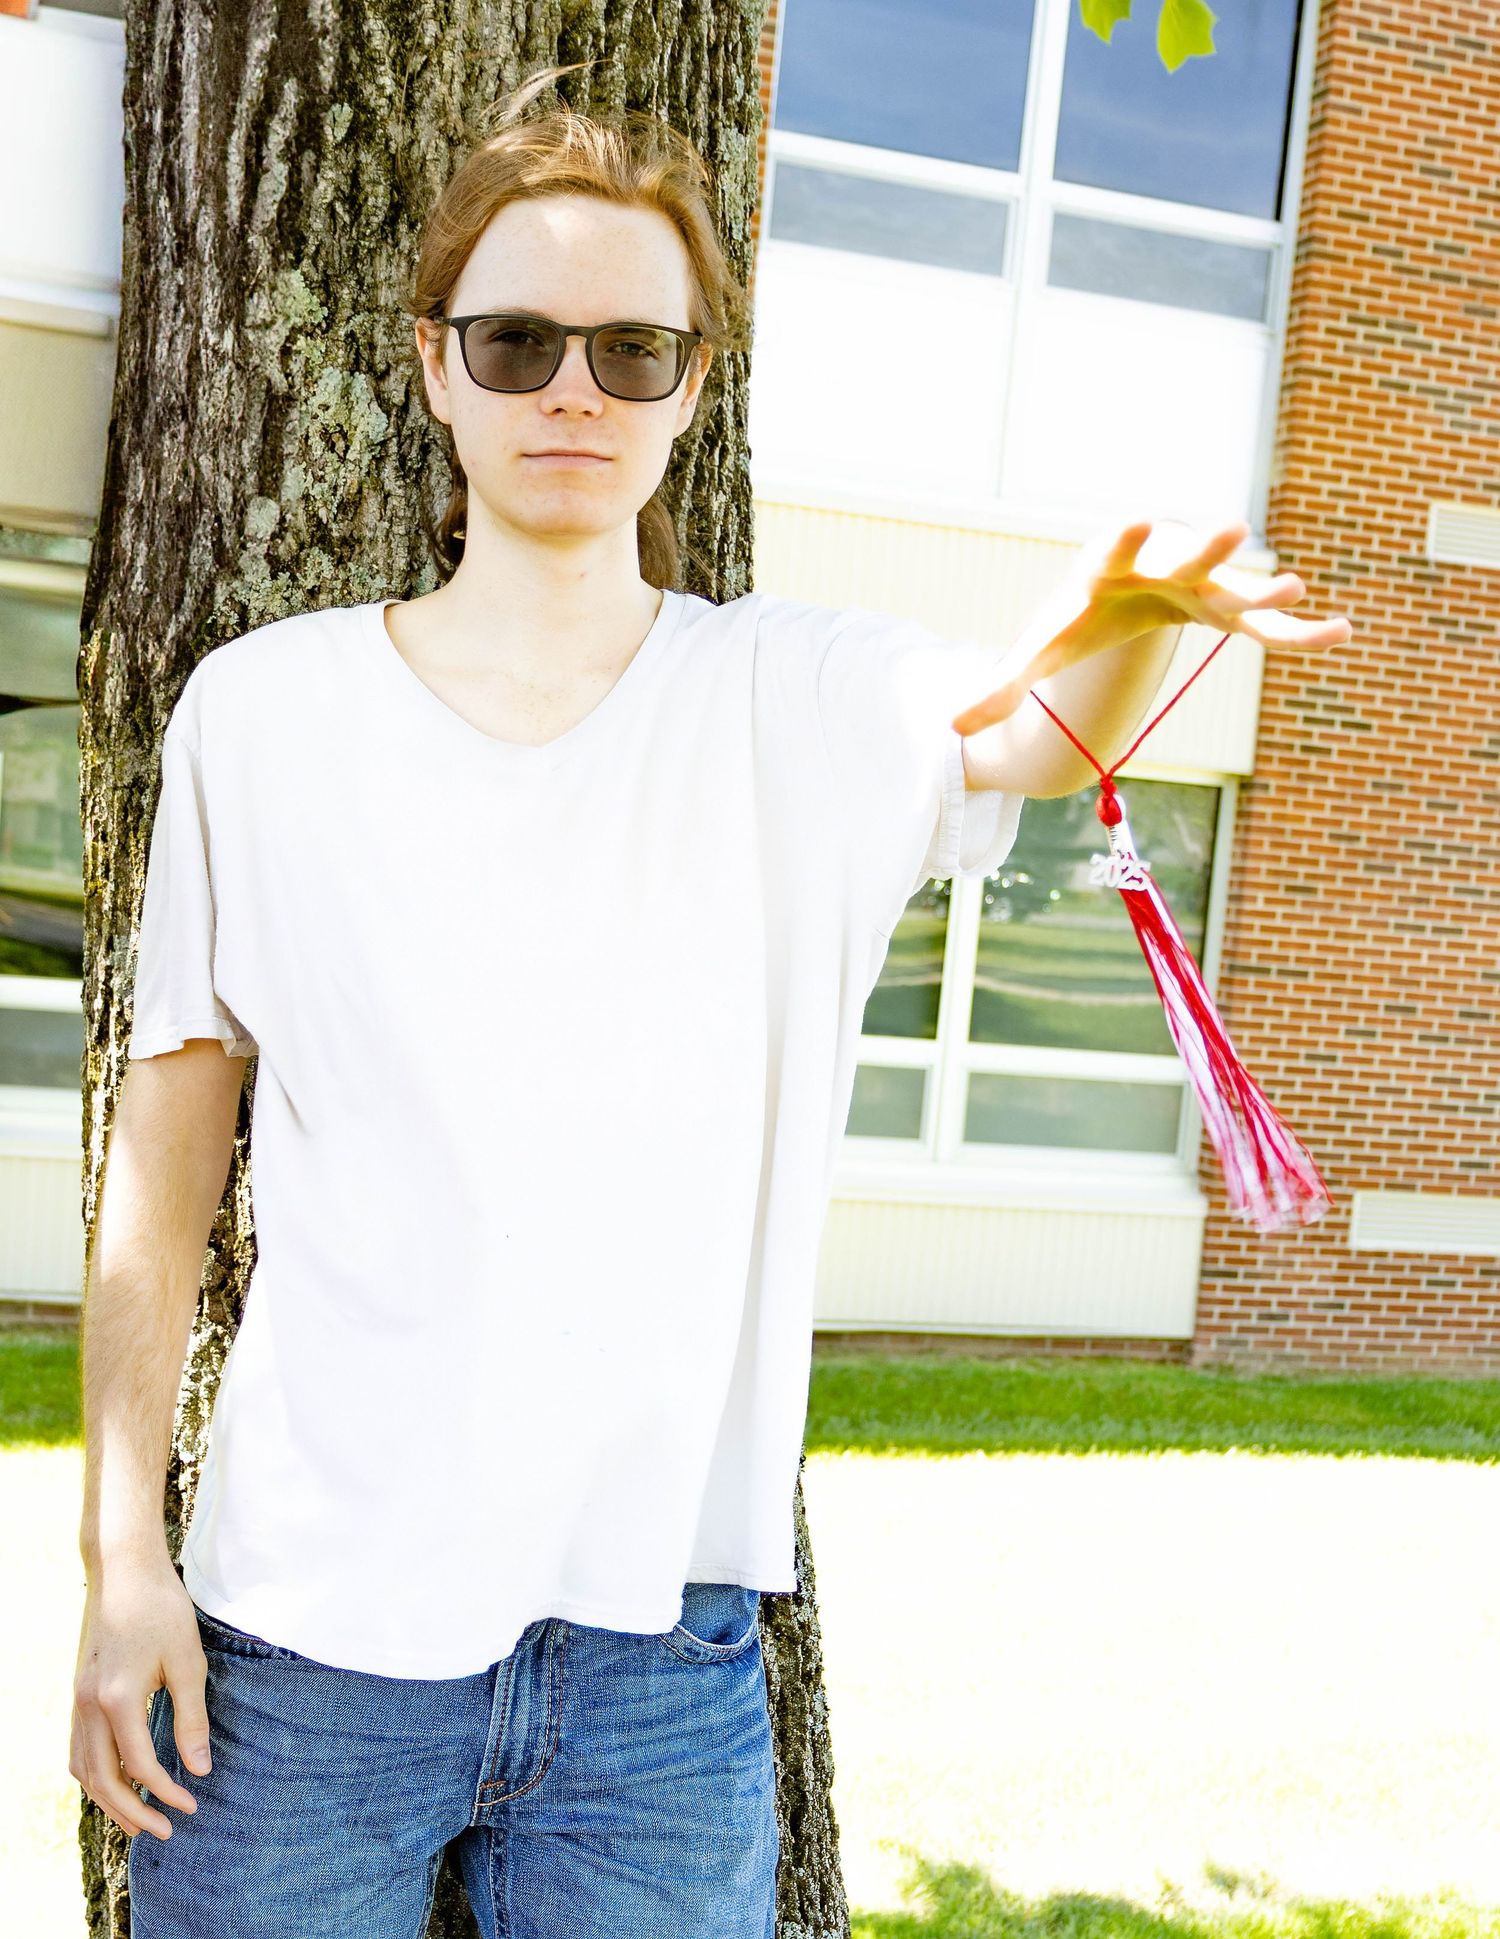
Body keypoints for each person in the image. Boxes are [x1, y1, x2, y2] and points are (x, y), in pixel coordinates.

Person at [69, 52, 1348, 1939]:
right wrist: (118, 1558)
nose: (571, 390)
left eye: (632, 351)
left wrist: (1141, 609)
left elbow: (1023, 720)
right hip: (302, 1645)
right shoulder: (263, 712)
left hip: (654, 1675)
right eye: (516, 344)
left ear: (692, 389)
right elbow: (161, 1172)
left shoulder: (794, 699)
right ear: (436, 365)